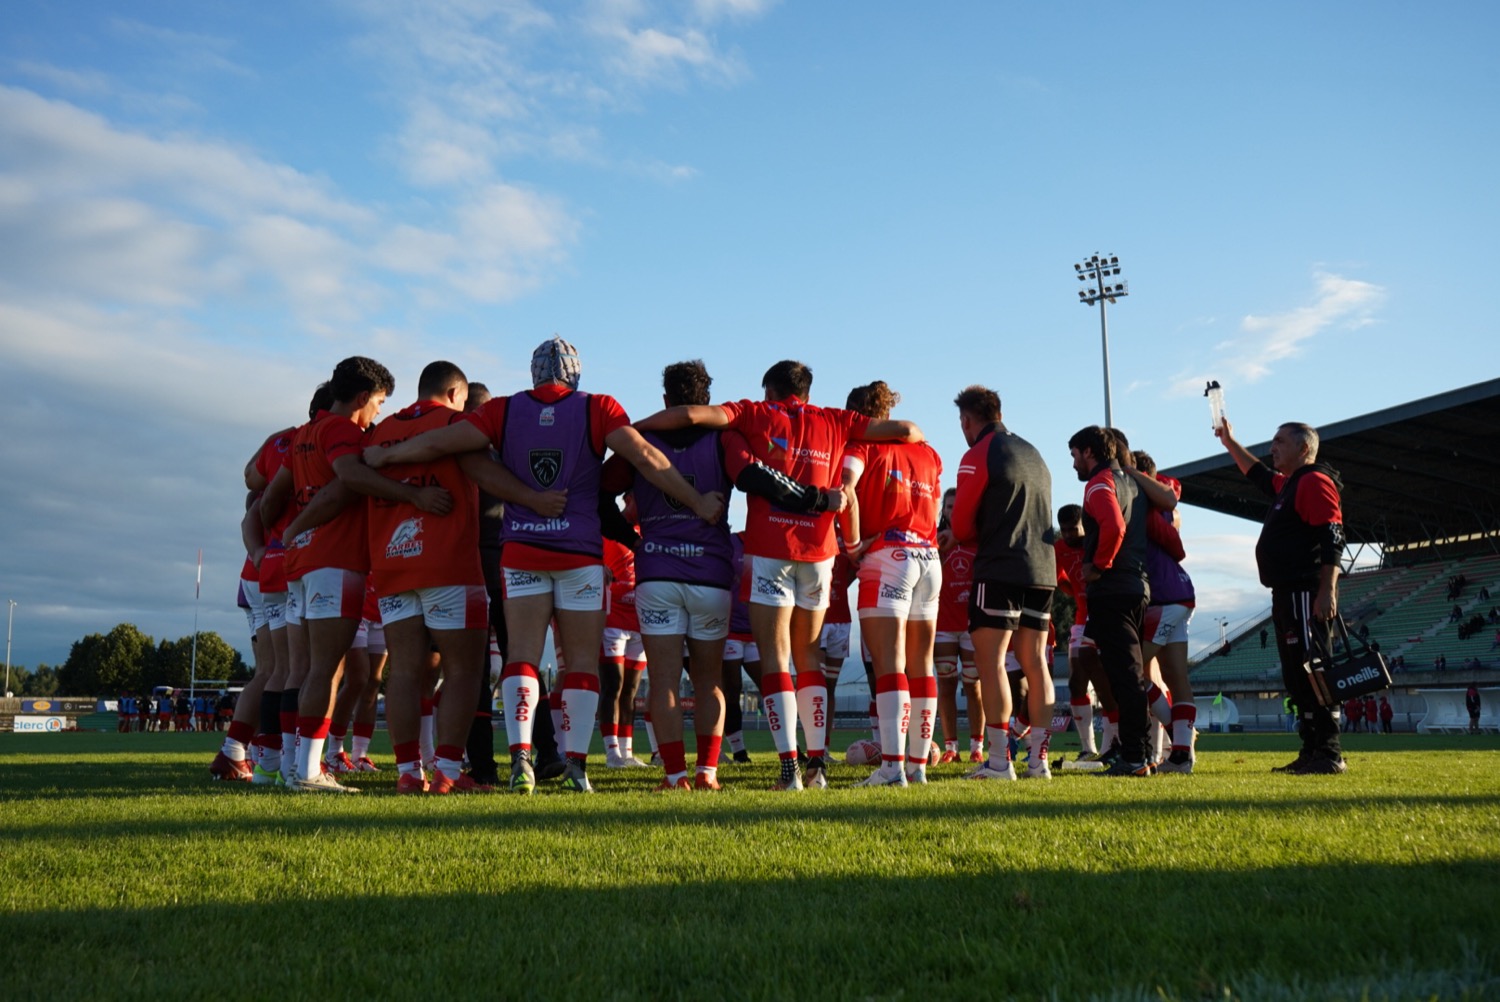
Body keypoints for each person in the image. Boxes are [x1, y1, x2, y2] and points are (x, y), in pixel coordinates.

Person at [365, 337, 724, 794]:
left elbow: (440, 443)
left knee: (522, 658)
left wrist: (387, 455)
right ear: (576, 372)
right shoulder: (597, 407)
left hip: (522, 553)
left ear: (532, 372)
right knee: (580, 665)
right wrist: (696, 501)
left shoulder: (504, 410)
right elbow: (647, 457)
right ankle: (575, 766)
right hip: (579, 555)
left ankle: (520, 761)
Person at [634, 359, 922, 791]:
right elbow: (904, 429)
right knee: (810, 659)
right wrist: (913, 433)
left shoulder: (754, 412)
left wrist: (626, 430)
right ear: (806, 391)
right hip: (820, 554)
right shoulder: (835, 419)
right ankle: (817, 767)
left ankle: (789, 770)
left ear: (770, 390)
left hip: (771, 550)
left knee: (775, 660)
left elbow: (691, 415)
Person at [1217, 417, 1347, 774]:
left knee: (1313, 670)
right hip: (1287, 594)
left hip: (1306, 591)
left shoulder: (1314, 481)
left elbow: (1332, 539)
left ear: (1303, 448)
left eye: (1280, 442)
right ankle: (1311, 750)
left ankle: (1329, 751)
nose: (1272, 448)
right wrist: (1230, 442)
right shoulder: (1290, 484)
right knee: (1296, 675)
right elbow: (1257, 474)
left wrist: (1326, 591)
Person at [946, 386, 1055, 781]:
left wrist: (964, 537)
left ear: (967, 421)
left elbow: (959, 524)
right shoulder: (1035, 453)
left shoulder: (978, 453)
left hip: (1000, 567)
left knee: (990, 663)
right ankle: (1039, 761)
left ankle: (997, 761)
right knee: (1036, 662)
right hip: (1042, 569)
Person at [839, 381, 944, 787]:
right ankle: (916, 767)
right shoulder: (928, 452)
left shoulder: (861, 445)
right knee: (922, 665)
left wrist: (851, 546)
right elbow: (934, 509)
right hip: (929, 557)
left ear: (857, 414)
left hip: (887, 556)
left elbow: (846, 490)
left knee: (889, 665)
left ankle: (892, 768)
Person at [1068, 425, 1152, 778]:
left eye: (1074, 455)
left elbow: (1114, 526)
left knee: (1125, 677)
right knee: (1129, 674)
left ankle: (1134, 756)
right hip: (1135, 585)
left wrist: (1099, 565)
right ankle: (1140, 753)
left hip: (1114, 588)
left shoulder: (1099, 483)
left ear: (1089, 452)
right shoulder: (1132, 482)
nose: (1073, 464)